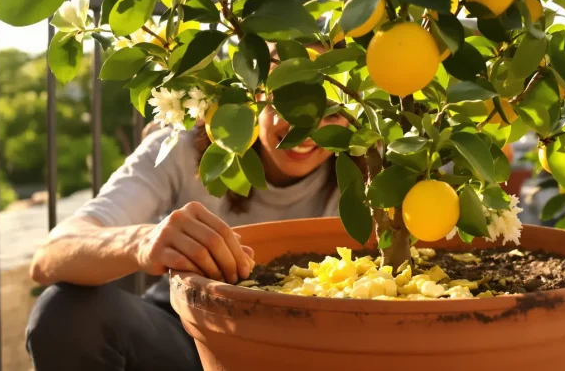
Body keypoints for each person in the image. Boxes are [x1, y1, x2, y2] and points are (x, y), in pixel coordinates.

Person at [25, 41, 350, 371]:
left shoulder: (375, 175)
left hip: (315, 342)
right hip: (184, 329)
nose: (305, 131)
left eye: (332, 111)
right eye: (287, 104)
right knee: (67, 313)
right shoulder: (182, 150)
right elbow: (52, 254)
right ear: (251, 96)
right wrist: (143, 243)